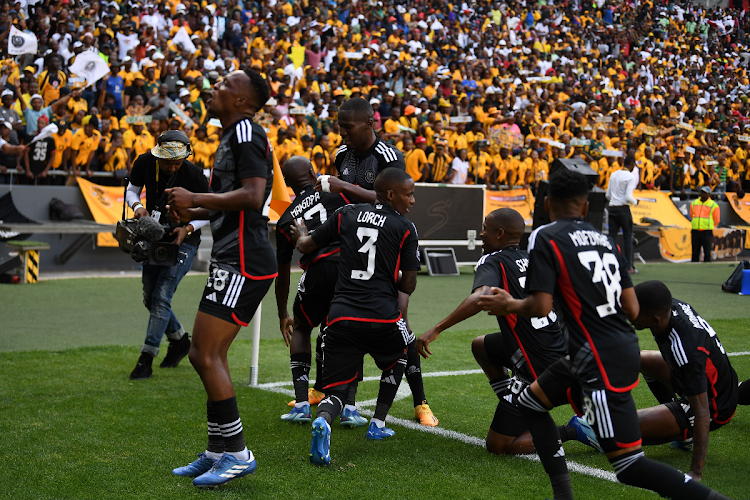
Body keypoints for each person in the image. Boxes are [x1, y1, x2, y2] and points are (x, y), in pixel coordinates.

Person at [477, 169, 731, 500]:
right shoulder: (606, 240)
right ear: (585, 208)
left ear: (548, 203)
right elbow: (631, 308)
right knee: (530, 402)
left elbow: (540, 306)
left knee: (630, 467)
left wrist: (510, 302)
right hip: (613, 350)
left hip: (597, 359)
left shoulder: (545, 235)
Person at [166, 69, 275, 488]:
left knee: (203, 354)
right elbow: (229, 204)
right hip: (235, 256)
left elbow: (253, 195)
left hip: (244, 260)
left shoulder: (246, 133)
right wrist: (192, 215)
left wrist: (194, 197)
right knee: (212, 356)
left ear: (243, 101)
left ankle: (238, 453)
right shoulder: (231, 135)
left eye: (227, 85)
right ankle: (218, 451)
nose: (216, 88)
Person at [417, 208, 588, 456]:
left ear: (499, 233)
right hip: (567, 357)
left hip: (540, 371)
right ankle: (511, 402)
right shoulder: (534, 257)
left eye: (485, 228)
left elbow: (482, 297)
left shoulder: (493, 260)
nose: (481, 233)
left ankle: (573, 430)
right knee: (480, 346)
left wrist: (437, 328)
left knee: (499, 446)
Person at [317, 97, 437, 426]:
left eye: (347, 127)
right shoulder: (342, 155)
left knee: (401, 325)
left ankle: (420, 401)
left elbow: (392, 199)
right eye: (339, 127)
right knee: (345, 325)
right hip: (354, 251)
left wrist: (343, 186)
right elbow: (347, 201)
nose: (341, 133)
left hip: (388, 251)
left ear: (370, 124)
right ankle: (346, 401)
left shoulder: (388, 156)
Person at [292, 167, 421, 465]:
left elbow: (306, 245)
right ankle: (377, 424)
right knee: (402, 353)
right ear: (391, 194)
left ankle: (324, 419)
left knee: (336, 390)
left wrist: (300, 233)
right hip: (382, 315)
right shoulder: (405, 227)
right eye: (409, 194)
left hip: (340, 316)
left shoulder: (346, 213)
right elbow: (409, 284)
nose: (412, 201)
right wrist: (392, 276)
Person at [274, 156, 368, 426]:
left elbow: (282, 274)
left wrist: (283, 314)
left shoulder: (285, 219)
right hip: (350, 269)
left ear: (290, 184)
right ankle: (350, 407)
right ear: (314, 172)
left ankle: (302, 404)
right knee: (350, 331)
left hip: (317, 271)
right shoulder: (341, 192)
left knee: (302, 327)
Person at [624, 280, 738, 481]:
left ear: (655, 319)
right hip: (692, 379)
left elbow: (702, 411)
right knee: (636, 358)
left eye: (634, 311)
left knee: (618, 429)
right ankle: (674, 414)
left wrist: (695, 473)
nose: (630, 314)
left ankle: (685, 429)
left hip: (713, 406)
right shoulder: (667, 308)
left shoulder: (686, 351)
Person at [125, 130, 209, 380]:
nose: (173, 167)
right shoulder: (144, 162)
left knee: (162, 295)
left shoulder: (195, 174)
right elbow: (131, 190)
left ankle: (146, 358)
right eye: (167, 161)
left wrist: (187, 227)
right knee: (150, 298)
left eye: (177, 161)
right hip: (155, 237)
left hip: (185, 239)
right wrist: (139, 208)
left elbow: (210, 210)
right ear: (158, 154)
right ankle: (181, 341)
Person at [606, 154, 639, 274]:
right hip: (623, 209)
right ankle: (629, 266)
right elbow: (628, 197)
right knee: (628, 237)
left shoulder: (614, 174)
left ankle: (608, 264)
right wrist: (636, 202)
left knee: (611, 238)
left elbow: (608, 195)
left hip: (612, 208)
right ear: (632, 164)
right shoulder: (630, 177)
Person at [691, 186, 720, 263]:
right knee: (695, 251)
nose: (702, 194)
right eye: (702, 192)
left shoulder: (713, 205)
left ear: (709, 194)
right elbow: (692, 215)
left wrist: (710, 226)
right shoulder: (694, 203)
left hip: (707, 231)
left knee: (707, 251)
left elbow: (716, 219)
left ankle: (707, 268)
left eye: (704, 192)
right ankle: (693, 267)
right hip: (695, 230)